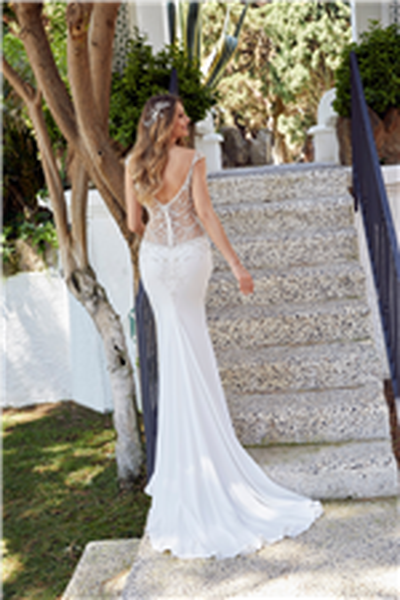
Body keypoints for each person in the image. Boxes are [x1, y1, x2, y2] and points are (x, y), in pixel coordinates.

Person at [125, 94, 323, 560]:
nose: (188, 121)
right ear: (170, 126)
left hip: (154, 261)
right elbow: (206, 216)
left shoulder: (132, 162)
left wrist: (159, 229)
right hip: (192, 258)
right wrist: (237, 266)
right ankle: (211, 461)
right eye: (181, 116)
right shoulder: (191, 159)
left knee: (176, 356)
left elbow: (135, 223)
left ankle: (184, 473)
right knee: (193, 347)